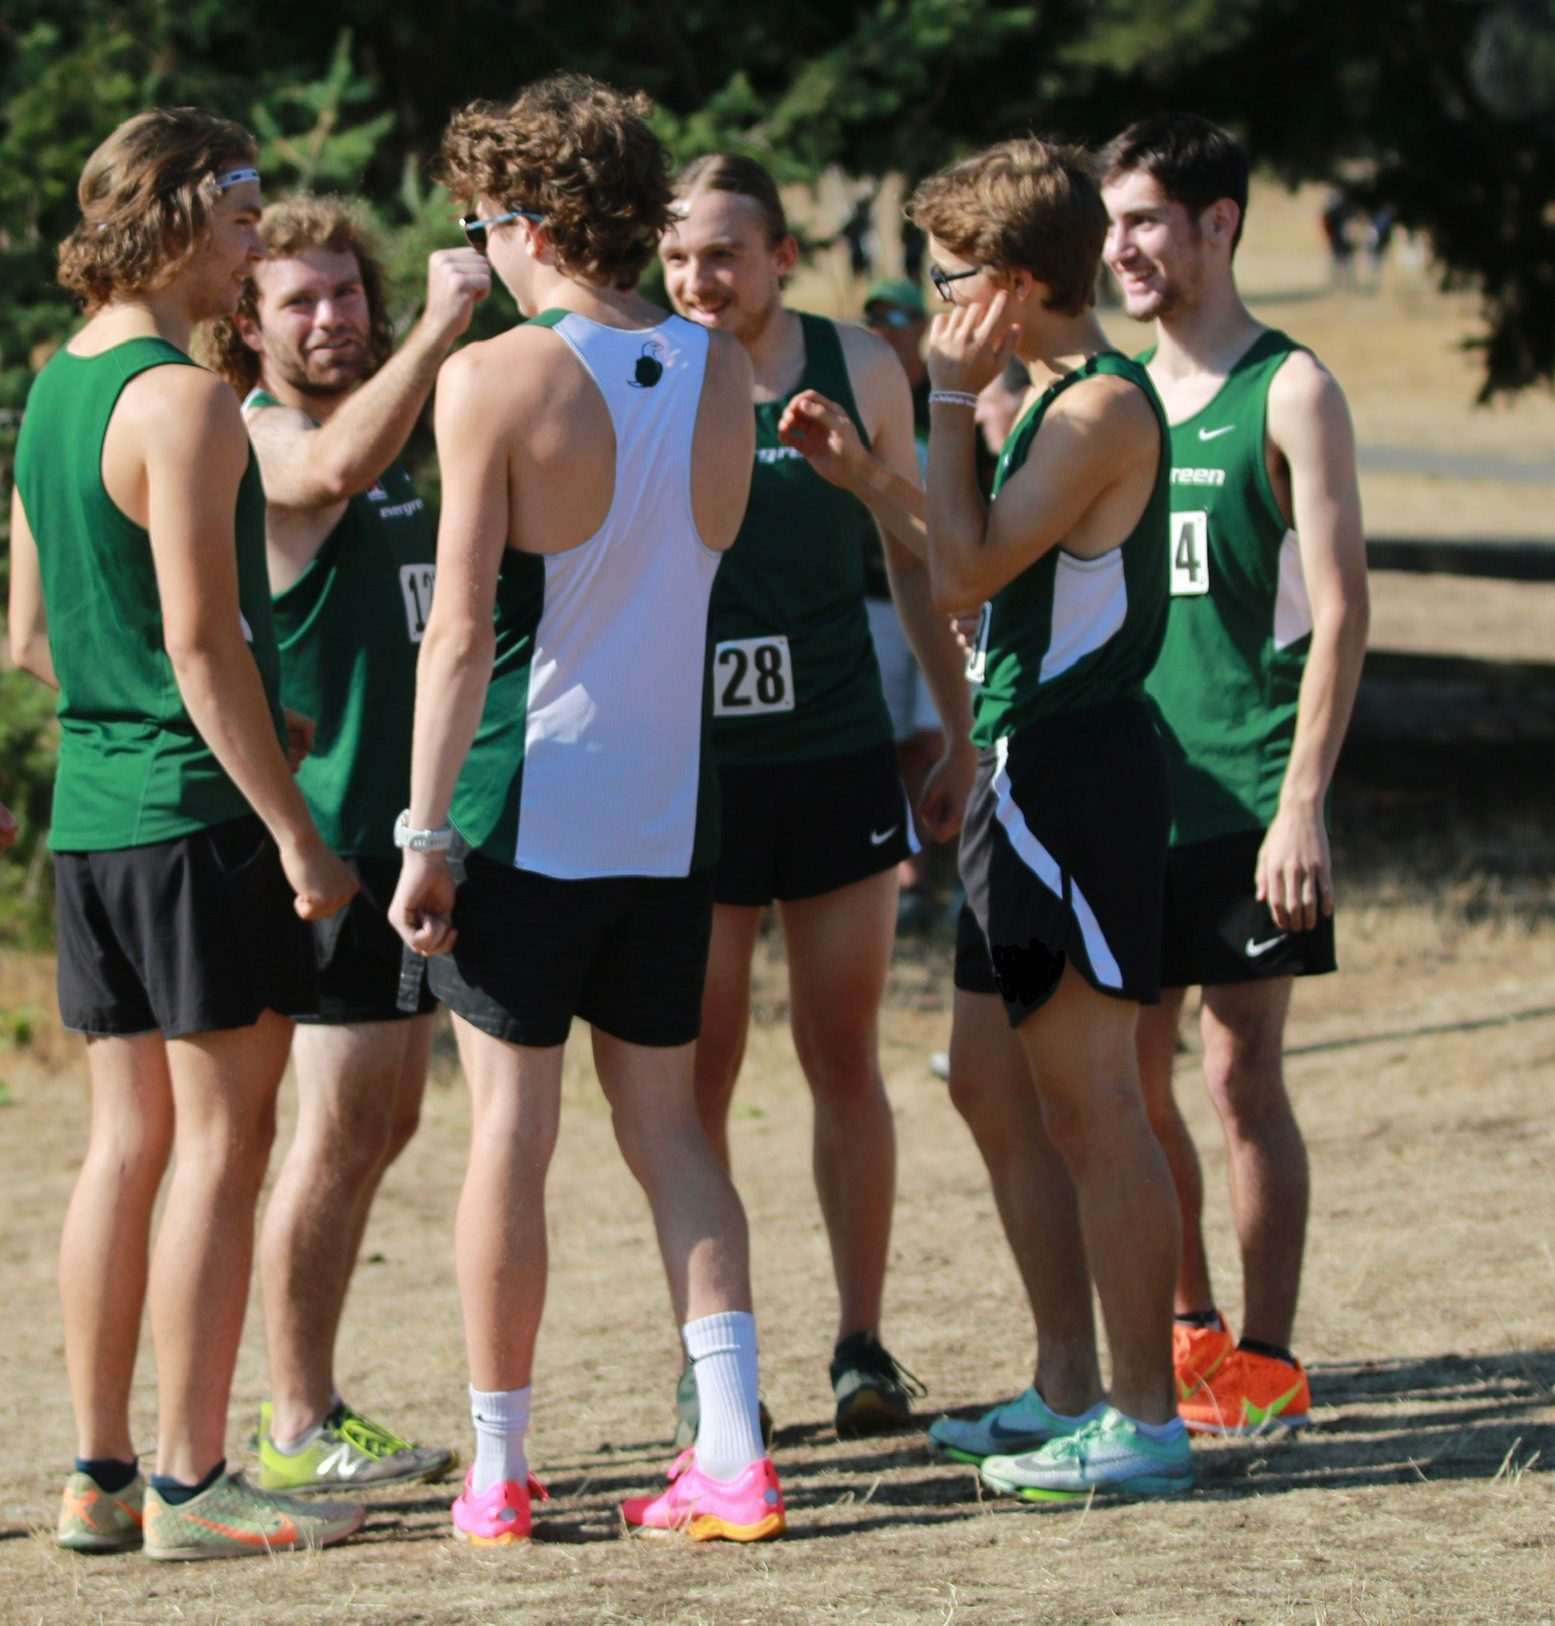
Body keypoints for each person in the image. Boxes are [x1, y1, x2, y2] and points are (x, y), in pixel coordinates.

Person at [388, 75, 784, 1546]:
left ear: (532, 222)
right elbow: (715, 538)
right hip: (668, 807)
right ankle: (732, 1453)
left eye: (483, 223)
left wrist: (424, 836)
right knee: (672, 1129)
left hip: (524, 800)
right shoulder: (716, 362)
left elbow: (460, 626)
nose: (477, 249)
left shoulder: (489, 376)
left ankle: (495, 1469)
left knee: (509, 1132)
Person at [9, 108, 363, 1560]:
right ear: (169, 217)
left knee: (123, 1143)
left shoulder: (51, 387)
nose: (249, 251)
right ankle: (192, 1482)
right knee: (224, 1142)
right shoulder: (187, 400)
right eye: (235, 221)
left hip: (91, 818)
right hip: (197, 820)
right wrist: (296, 830)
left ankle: (99, 1475)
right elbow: (204, 644)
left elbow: (29, 636)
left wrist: (165, 706)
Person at [660, 155, 976, 1437]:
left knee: (841, 1052)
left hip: (838, 751)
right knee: (700, 1073)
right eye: (678, 259)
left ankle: (861, 1345)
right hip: (697, 777)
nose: (698, 282)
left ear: (782, 256)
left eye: (724, 256)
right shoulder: (648, 370)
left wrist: (950, 724)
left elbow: (919, 555)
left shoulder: (863, 368)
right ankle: (711, 1365)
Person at [915, 135, 1192, 1499]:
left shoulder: (1093, 412)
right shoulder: (1042, 401)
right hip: (1021, 772)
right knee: (985, 1077)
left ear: (1014, 284)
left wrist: (936, 404)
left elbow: (964, 560)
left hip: (1073, 774)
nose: (934, 307)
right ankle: (1064, 1383)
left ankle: (1143, 1416)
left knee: (1095, 1102)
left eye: (950, 280)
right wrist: (872, 472)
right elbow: (981, 577)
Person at [205, 195, 489, 1491]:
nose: (331, 320)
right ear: (247, 327)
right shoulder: (263, 435)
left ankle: (311, 1405)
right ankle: (296, 1419)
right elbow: (321, 476)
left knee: (380, 1130)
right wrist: (440, 324)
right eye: (297, 302)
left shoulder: (401, 437)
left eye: (345, 294)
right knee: (328, 1136)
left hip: (412, 840)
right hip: (325, 850)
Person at [1100, 114, 1368, 1434]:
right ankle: (1186, 1325)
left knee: (1236, 1070)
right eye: (1111, 222)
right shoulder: (1115, 396)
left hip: (1249, 794)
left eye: (1146, 219)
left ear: (1219, 221)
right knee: (1129, 1078)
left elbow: (1339, 611)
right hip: (1126, 799)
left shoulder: (1290, 389)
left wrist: (1300, 802)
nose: (1122, 247)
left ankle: (1265, 1355)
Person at [860, 278, 949, 925]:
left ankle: (953, 870)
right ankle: (910, 877)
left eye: (897, 317)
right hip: (878, 595)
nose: (886, 329)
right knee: (892, 742)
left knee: (936, 735)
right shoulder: (861, 397)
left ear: (922, 325)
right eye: (874, 321)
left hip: (951, 598)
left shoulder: (949, 397)